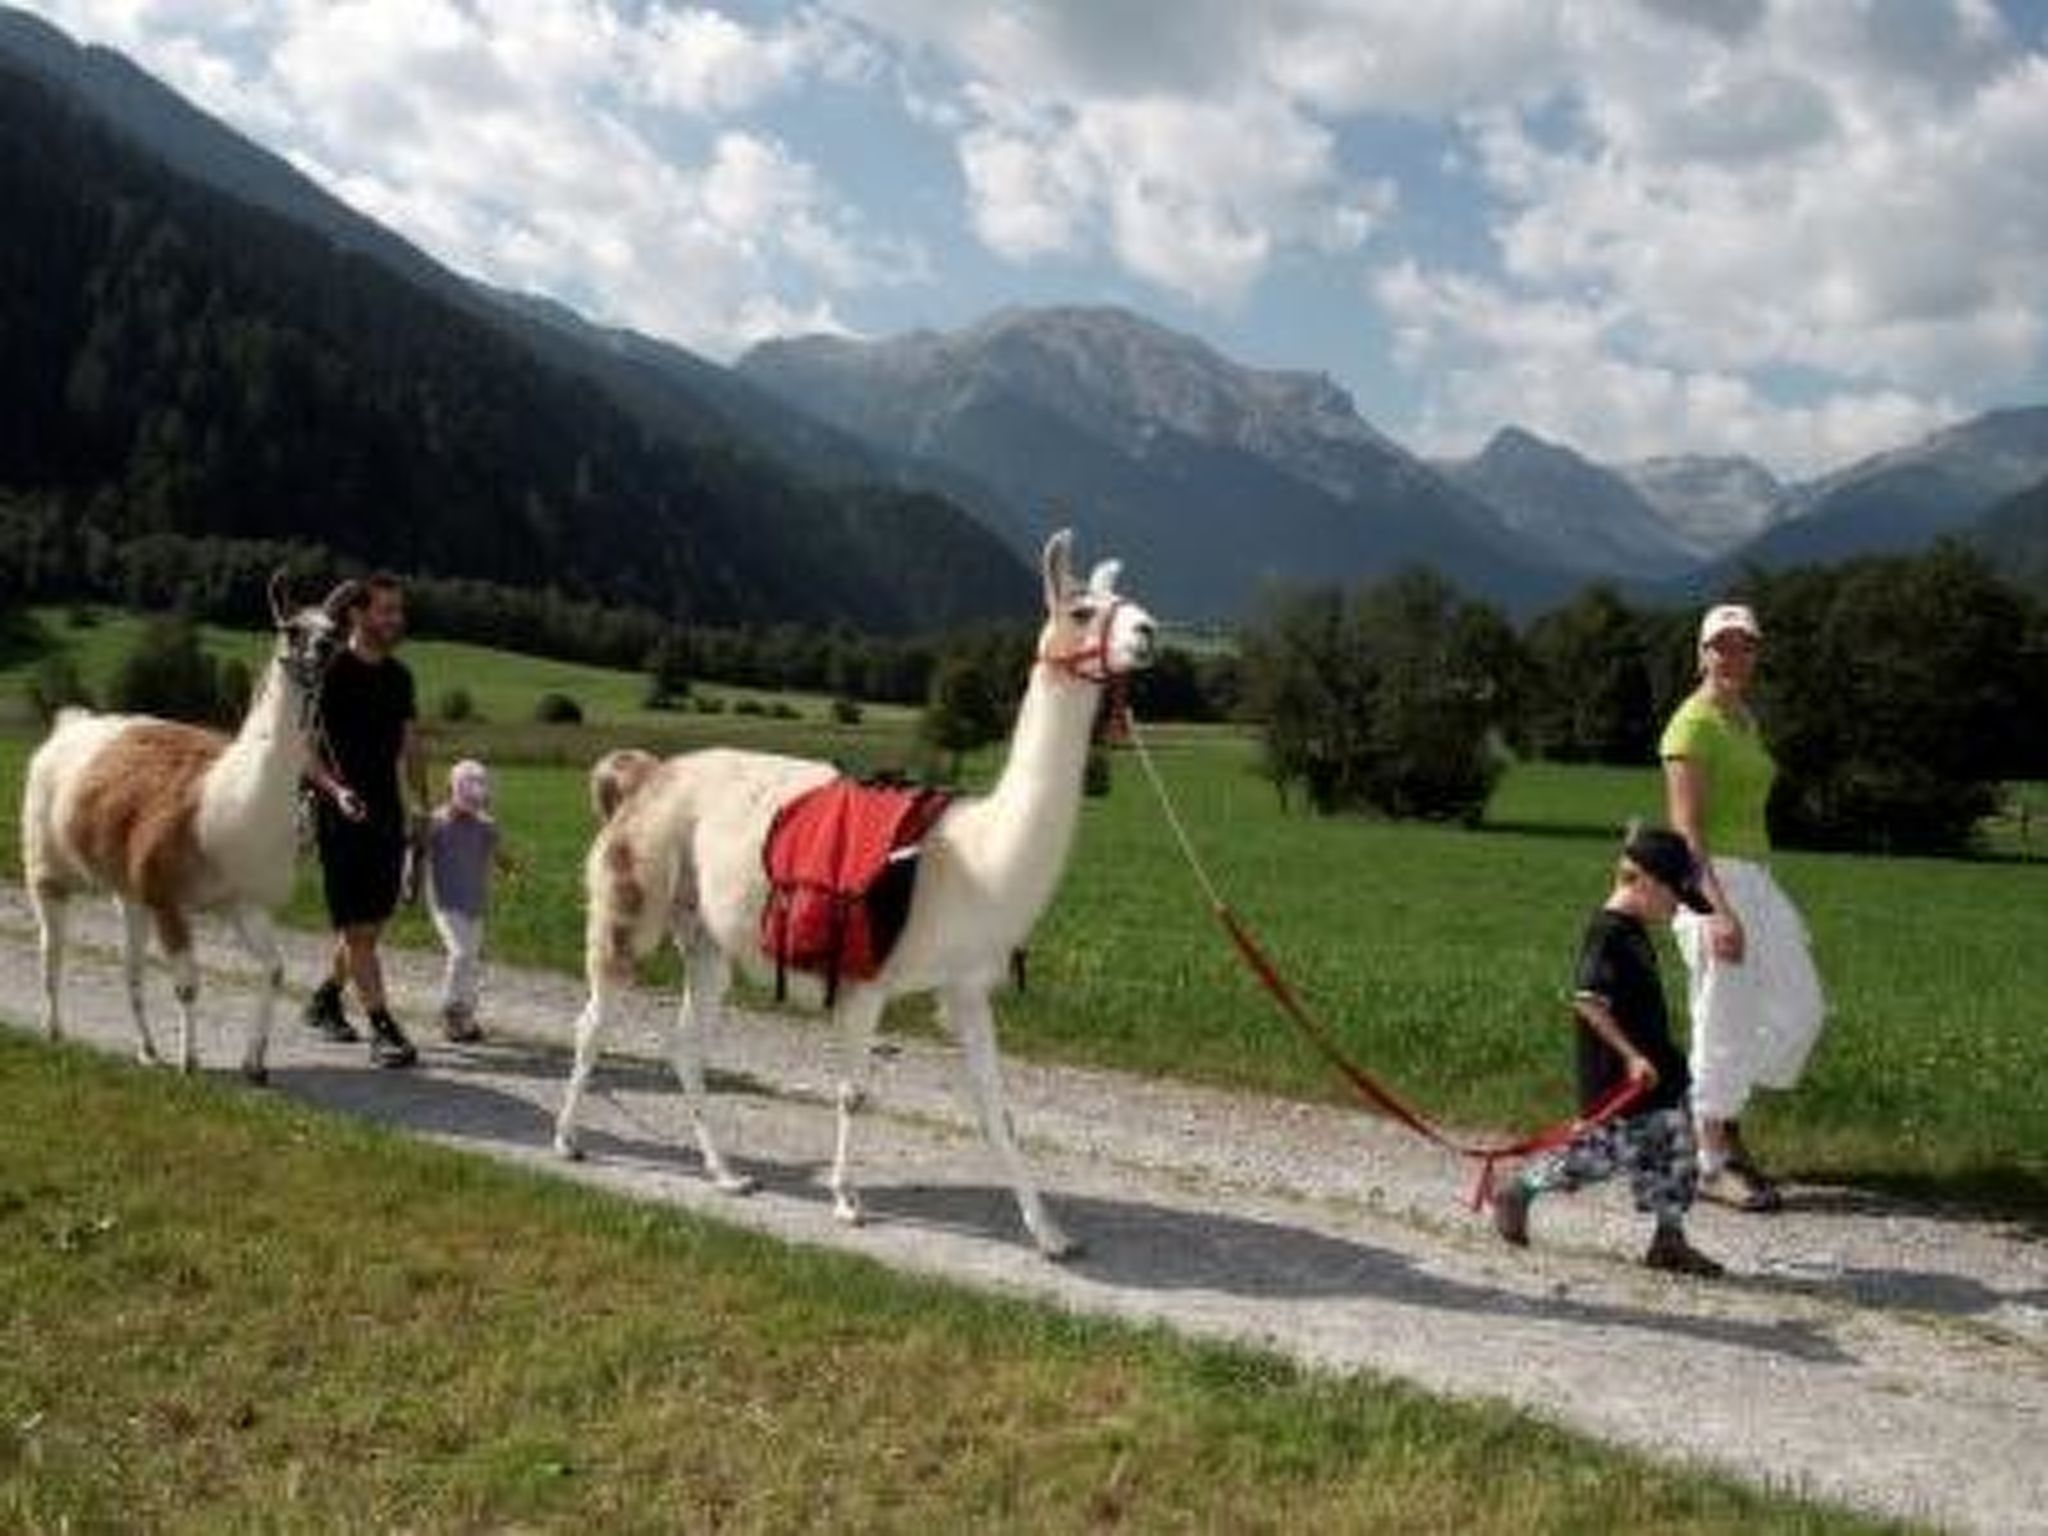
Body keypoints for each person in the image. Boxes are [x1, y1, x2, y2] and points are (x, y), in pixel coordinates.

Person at [1491, 826, 1724, 1277]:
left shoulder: (1633, 929)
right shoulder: (1607, 932)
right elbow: (1587, 1000)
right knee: (1602, 1154)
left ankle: (1669, 1240)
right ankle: (1519, 1189)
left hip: (1659, 1078)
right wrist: (1632, 1056)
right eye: (1674, 895)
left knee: (1676, 1150)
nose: (1677, 906)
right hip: (1620, 1080)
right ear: (1645, 881)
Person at [1660, 602, 1826, 1212]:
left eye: (1744, 646)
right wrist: (1716, 911)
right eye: (1721, 646)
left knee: (1801, 1009)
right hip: (1712, 881)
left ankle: (1706, 1101)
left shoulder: (1743, 720)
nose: (1733, 657)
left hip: (1757, 876)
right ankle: (1710, 1160)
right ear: (1701, 654)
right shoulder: (1691, 727)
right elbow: (1686, 833)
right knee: (1722, 1018)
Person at [302, 572, 429, 1068]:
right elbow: (304, 751)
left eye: (399, 610)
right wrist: (336, 792)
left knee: (370, 927)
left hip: (386, 812)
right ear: (357, 614)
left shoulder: (400, 677)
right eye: (386, 610)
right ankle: (384, 1029)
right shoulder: (328, 671)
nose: (397, 619)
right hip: (339, 814)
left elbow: (411, 744)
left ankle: (325, 999)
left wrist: (422, 804)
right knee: (358, 929)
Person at [423, 758, 513, 1042]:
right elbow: (416, 852)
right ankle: (451, 1010)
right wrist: (408, 885)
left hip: (475, 903)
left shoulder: (485, 825)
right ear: (453, 790)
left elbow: (499, 853)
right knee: (460, 954)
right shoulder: (436, 822)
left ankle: (467, 1021)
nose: (476, 806)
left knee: (471, 961)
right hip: (444, 902)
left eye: (479, 801)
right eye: (470, 800)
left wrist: (509, 868)